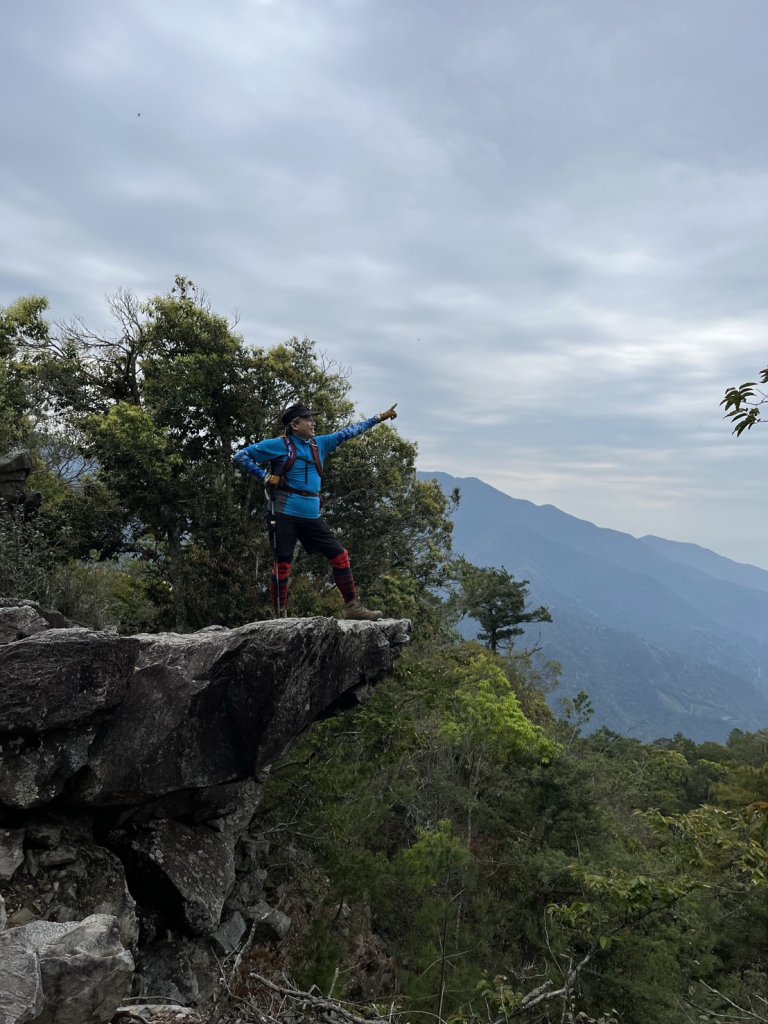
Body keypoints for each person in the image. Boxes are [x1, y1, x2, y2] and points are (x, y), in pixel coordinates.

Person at [234, 401, 398, 620]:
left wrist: (378, 418)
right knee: (283, 564)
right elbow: (240, 457)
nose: (313, 423)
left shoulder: (320, 444)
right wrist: (264, 476)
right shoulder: (279, 445)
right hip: (285, 513)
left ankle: (352, 607)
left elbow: (349, 432)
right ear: (295, 425)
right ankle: (280, 615)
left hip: (312, 516)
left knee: (340, 555)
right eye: (308, 419)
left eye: (313, 419)